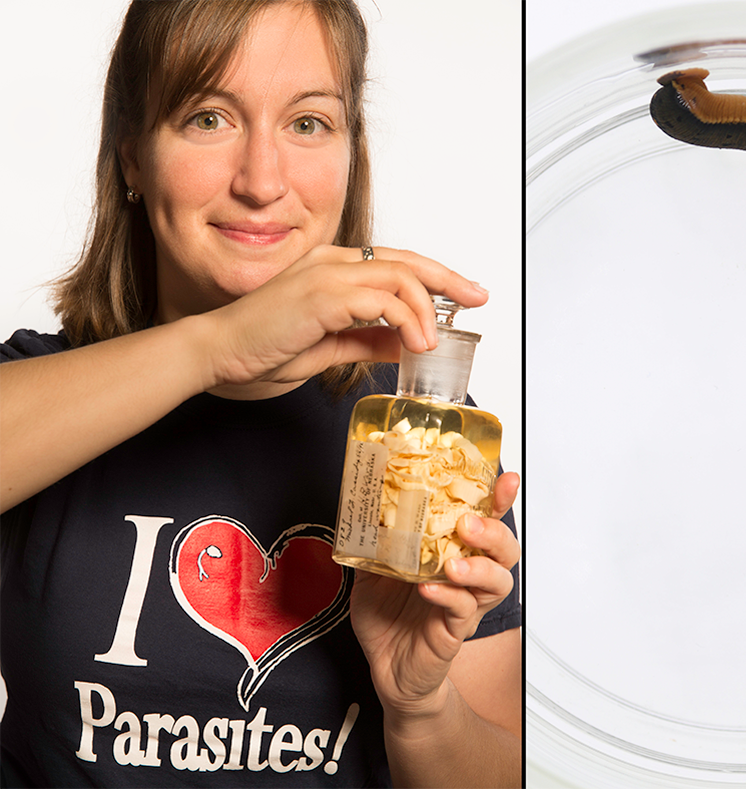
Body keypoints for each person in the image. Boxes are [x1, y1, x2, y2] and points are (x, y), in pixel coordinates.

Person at [0, 1, 521, 787]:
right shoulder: (40, 391)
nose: (262, 181)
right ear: (131, 155)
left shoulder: (428, 450)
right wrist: (218, 347)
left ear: (351, 154)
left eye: (309, 123)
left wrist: (422, 706)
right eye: (209, 117)